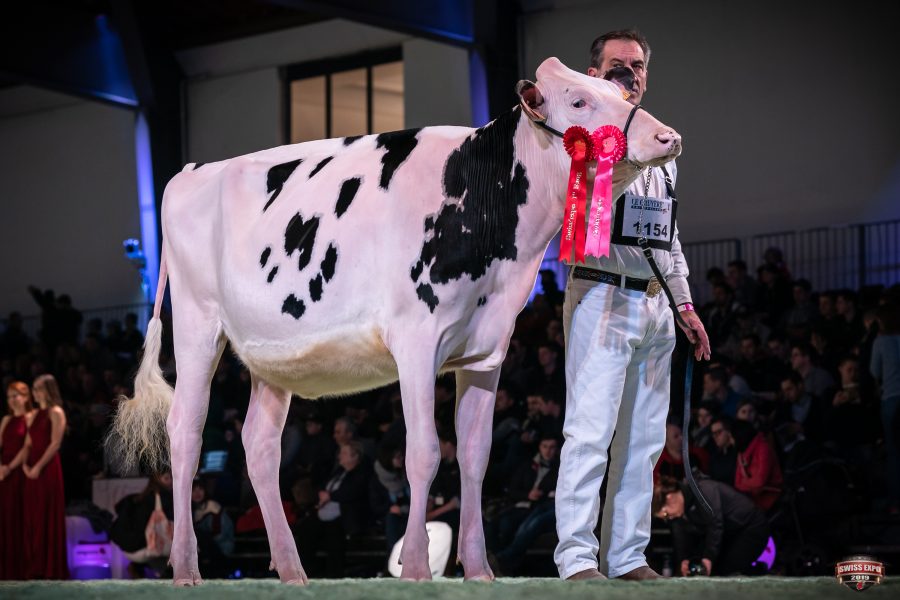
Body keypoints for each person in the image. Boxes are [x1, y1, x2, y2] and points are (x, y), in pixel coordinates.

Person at [555, 28, 711, 582]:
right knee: (590, 432)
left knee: (643, 441)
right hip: (600, 292)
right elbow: (579, 218)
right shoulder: (577, 137)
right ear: (593, 75)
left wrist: (685, 305)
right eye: (618, 64)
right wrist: (638, 158)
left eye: (638, 65)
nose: (630, 73)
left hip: (654, 303)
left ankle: (626, 557)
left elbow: (669, 234)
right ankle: (576, 558)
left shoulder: (659, 142)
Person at [654, 475, 770, 576]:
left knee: (726, 569)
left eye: (666, 514)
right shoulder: (680, 512)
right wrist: (684, 559)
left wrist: (708, 557)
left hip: (751, 526)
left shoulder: (703, 490)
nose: (668, 518)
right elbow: (682, 537)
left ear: (670, 497)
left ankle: (757, 572)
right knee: (712, 566)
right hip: (730, 532)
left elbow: (715, 524)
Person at [24, 374, 68, 579]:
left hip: (47, 468)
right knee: (33, 515)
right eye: (34, 389)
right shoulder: (33, 414)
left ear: (48, 390)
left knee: (46, 513)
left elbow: (55, 443)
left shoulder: (56, 412)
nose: (35, 393)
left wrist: (38, 467)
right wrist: (25, 465)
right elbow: (28, 443)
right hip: (32, 467)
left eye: (38, 389)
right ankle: (33, 565)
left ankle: (49, 567)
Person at [1, 381, 34, 580]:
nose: (12, 400)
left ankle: (22, 568)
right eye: (9, 397)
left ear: (26, 397)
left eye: (16, 396)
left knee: (20, 516)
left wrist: (9, 467)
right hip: (3, 474)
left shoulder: (30, 417)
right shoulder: (6, 419)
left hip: (19, 472)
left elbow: (27, 447)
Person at [870, 303, 900, 513]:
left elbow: (874, 371)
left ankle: (896, 502)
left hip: (891, 399)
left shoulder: (880, 342)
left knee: (894, 451)